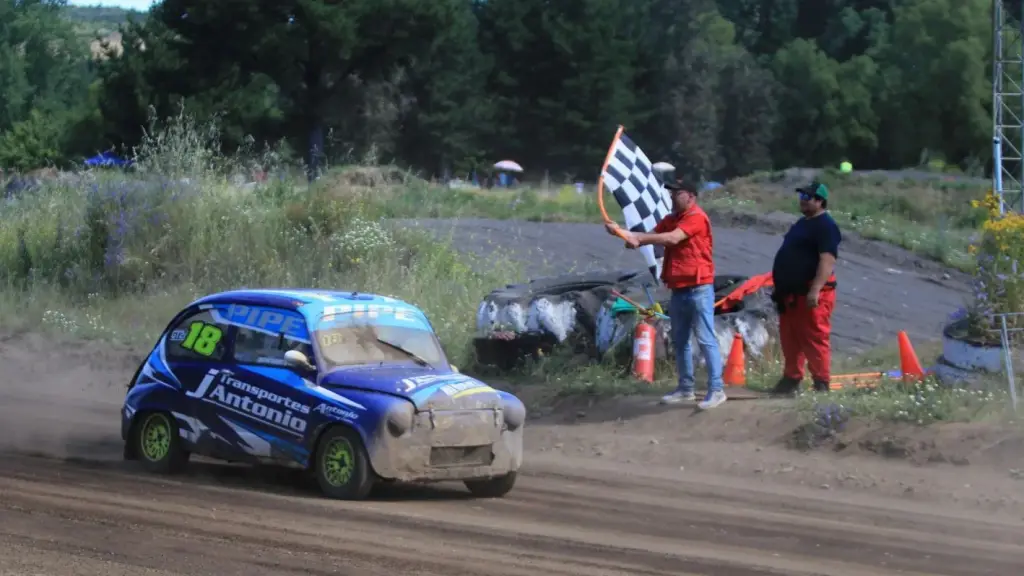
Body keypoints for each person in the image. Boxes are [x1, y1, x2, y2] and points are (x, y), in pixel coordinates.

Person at [604, 179, 726, 410]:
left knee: (705, 339)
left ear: (691, 196)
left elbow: (671, 238)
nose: (671, 196)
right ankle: (686, 389)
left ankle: (716, 390)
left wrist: (637, 238)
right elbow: (645, 237)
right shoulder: (671, 219)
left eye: (676, 193)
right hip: (679, 288)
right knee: (680, 341)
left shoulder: (696, 217)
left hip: (699, 288)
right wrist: (621, 232)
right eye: (670, 192)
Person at [770, 181, 842, 395]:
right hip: (790, 293)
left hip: (811, 292)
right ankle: (791, 379)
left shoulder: (826, 226)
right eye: (801, 196)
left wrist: (816, 290)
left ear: (820, 201)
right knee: (790, 338)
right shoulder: (802, 223)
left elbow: (827, 260)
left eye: (807, 197)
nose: (802, 200)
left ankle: (821, 383)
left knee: (814, 338)